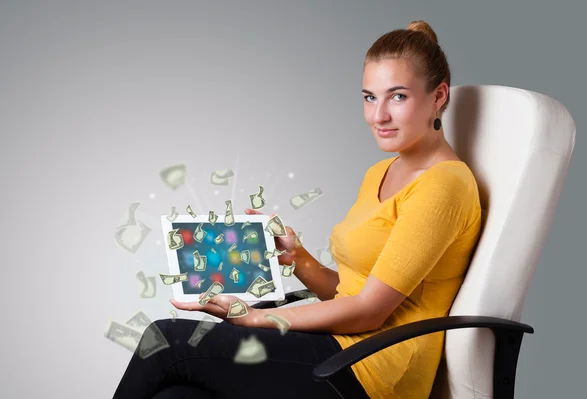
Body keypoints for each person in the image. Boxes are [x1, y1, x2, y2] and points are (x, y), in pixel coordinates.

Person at [113, 19, 482, 399]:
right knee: (176, 397)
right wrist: (300, 258)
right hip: (338, 346)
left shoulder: (443, 184)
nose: (378, 116)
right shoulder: (382, 171)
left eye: (398, 97)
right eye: (370, 97)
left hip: (374, 373)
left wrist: (255, 318)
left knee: (164, 340)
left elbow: (371, 311)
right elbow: (354, 292)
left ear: (438, 96)